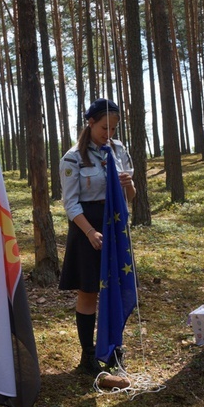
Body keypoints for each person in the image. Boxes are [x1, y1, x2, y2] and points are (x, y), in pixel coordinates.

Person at [58, 98, 136, 376]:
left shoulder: (119, 150)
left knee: (115, 289)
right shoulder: (72, 157)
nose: (109, 134)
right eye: (105, 127)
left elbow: (130, 197)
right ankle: (87, 355)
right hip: (86, 228)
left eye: (114, 128)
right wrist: (90, 231)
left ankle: (115, 349)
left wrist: (130, 186)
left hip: (115, 225)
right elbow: (70, 203)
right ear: (90, 123)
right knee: (88, 291)